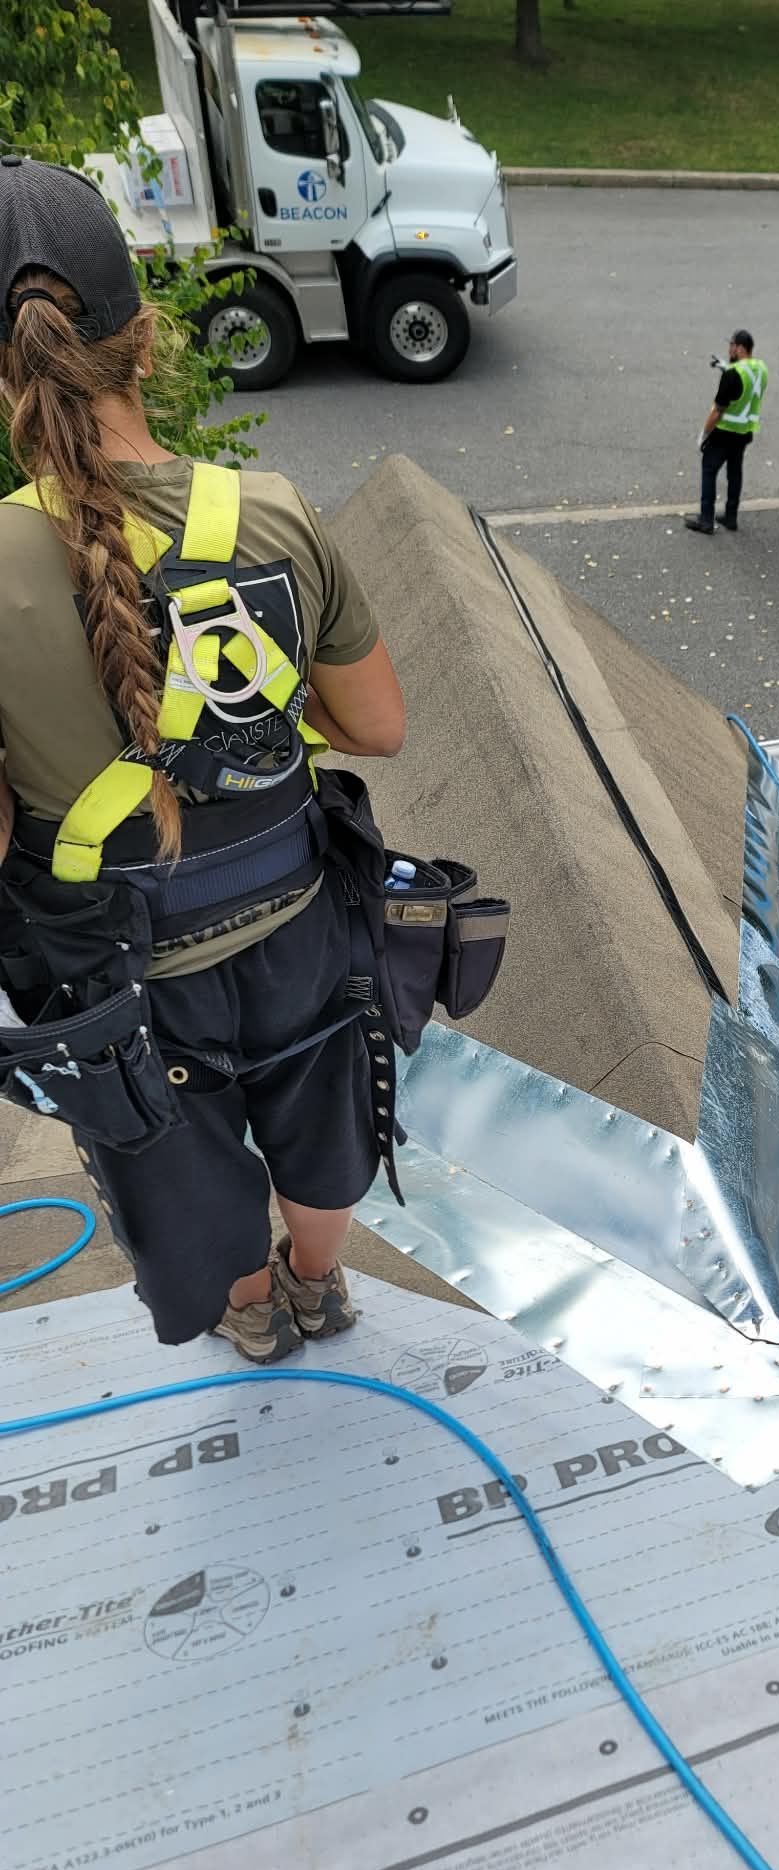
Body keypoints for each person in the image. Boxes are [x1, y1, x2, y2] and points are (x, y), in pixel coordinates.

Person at [0, 154, 406, 1364]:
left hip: (120, 974)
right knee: (321, 1122)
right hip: (298, 922)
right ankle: (318, 1284)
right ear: (146, 338)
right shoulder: (271, 510)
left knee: (183, 1161)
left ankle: (250, 1310)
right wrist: (243, 708)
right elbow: (378, 725)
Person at [684, 327, 768, 536]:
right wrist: (726, 367)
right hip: (745, 432)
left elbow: (718, 410)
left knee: (709, 470)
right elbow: (746, 384)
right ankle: (731, 517)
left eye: (731, 345)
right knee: (735, 472)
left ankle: (706, 520)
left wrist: (704, 434)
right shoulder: (761, 368)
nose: (729, 348)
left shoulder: (733, 374)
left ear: (740, 348)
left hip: (725, 432)